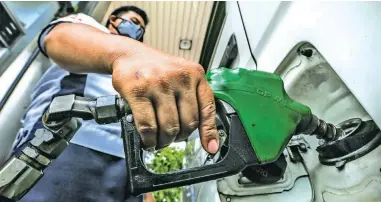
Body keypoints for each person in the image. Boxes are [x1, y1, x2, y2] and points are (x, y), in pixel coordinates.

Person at [12, 5, 219, 202]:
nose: (137, 29)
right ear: (114, 20)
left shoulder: (140, 71)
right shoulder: (88, 27)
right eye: (134, 21)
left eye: (141, 28)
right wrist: (127, 54)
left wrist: (146, 193)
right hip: (65, 148)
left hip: (126, 167)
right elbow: (57, 38)